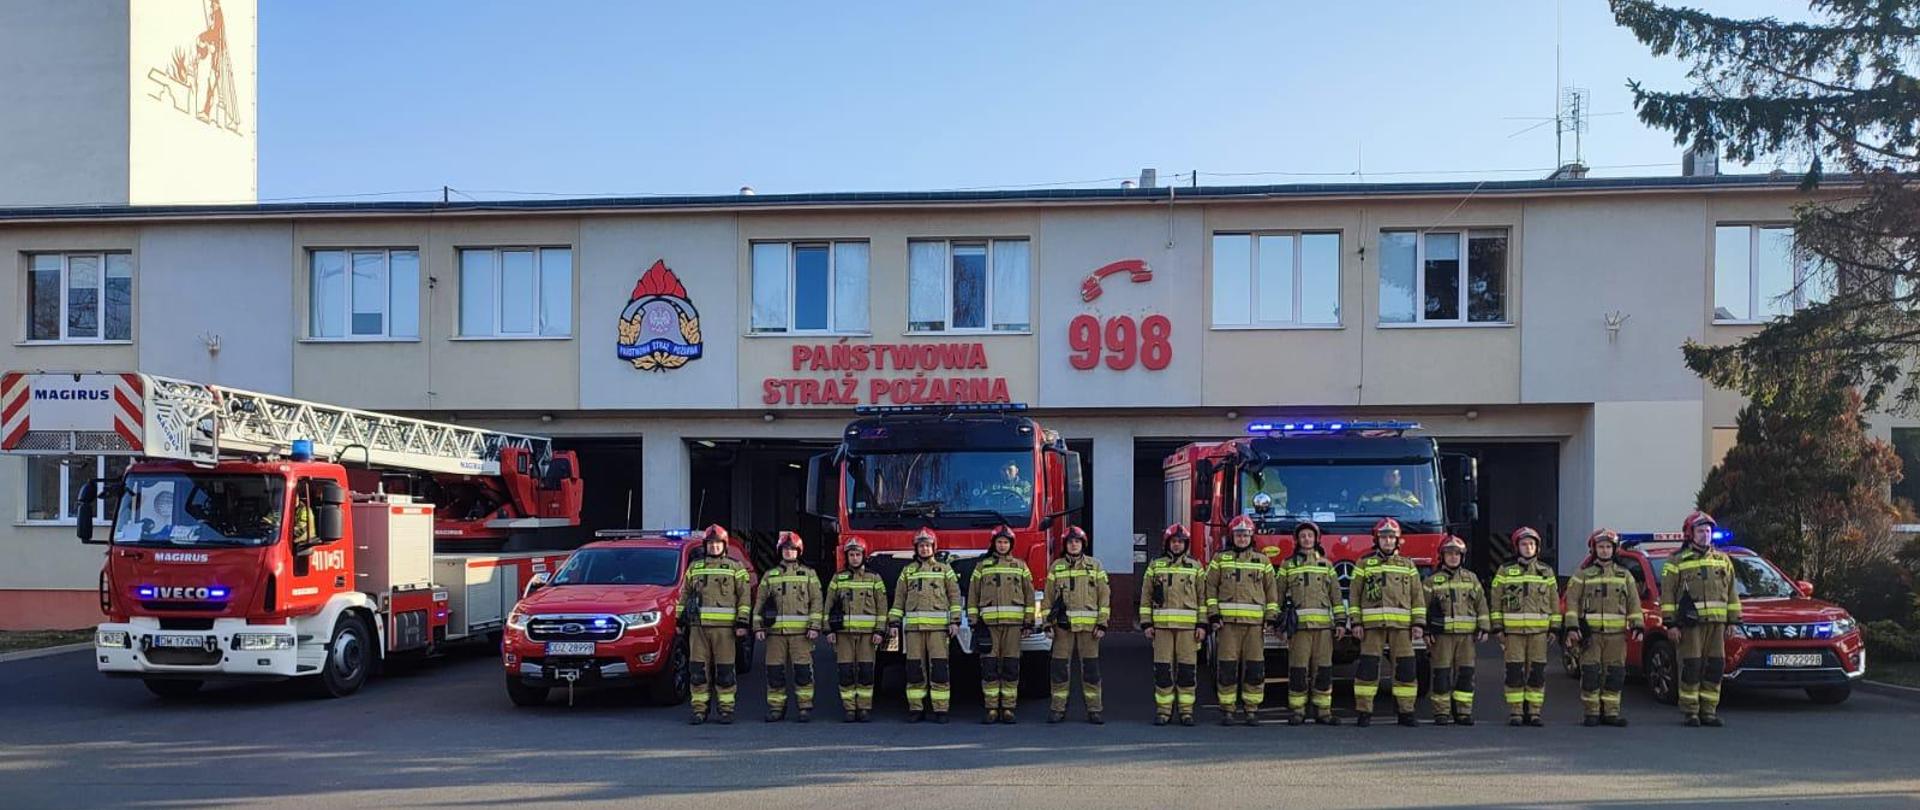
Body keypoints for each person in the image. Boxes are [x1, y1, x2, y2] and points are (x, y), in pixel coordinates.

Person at [1661, 511, 1742, 728]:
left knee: (1715, 666)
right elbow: (1667, 594)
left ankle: (1709, 711)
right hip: (1690, 626)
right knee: (1691, 666)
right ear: (1690, 534)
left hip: (1717, 624)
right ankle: (1691, 711)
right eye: (1700, 531)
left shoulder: (1723, 560)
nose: (1705, 535)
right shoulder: (1676, 561)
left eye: (1708, 531)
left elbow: (1732, 593)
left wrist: (1733, 621)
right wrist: (1670, 623)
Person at [1351, 517, 1426, 727]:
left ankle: (1406, 712)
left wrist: (1418, 623)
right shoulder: (1364, 564)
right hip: (1371, 627)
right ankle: (1364, 712)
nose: (1387, 541)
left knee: (1406, 670)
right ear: (1377, 539)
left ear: (1397, 540)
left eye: (1391, 537)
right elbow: (1355, 596)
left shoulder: (1408, 565)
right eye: (1383, 537)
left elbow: (1417, 596)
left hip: (1402, 628)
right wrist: (1356, 622)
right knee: (1367, 669)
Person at [1205, 514, 1278, 726]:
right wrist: (1213, 615)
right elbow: (1210, 588)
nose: (1242, 539)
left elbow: (1271, 592)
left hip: (1254, 627)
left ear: (1251, 536)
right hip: (1227, 625)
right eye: (1238, 535)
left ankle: (1251, 709)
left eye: (1246, 535)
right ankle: (1227, 710)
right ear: (1232, 536)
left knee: (1255, 669)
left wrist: (1271, 617)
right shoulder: (1220, 560)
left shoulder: (1262, 562)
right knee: (1227, 668)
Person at [1565, 528, 1644, 728]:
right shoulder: (1582, 575)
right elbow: (1571, 602)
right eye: (1601, 547)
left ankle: (1611, 713)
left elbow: (1634, 603)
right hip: (1590, 635)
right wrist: (1572, 628)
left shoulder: (1624, 575)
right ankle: (1591, 713)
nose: (1605, 550)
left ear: (1614, 549)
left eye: (1608, 547)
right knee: (1590, 673)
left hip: (1616, 636)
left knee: (1615, 674)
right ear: (1594, 549)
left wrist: (1638, 625)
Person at [674, 525, 751, 725]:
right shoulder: (695, 567)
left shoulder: (736, 568)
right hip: (697, 629)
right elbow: (684, 595)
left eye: (718, 543)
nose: (714, 547)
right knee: (698, 671)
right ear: (705, 545)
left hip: (725, 630)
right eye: (710, 543)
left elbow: (745, 597)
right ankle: (699, 710)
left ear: (724, 545)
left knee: (725, 672)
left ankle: (726, 710)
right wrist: (679, 619)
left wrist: (743, 621)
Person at [887, 528, 962, 723]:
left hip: (939, 630)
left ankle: (941, 710)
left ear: (934, 548)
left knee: (939, 669)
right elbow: (899, 599)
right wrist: (894, 623)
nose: (924, 549)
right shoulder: (907, 571)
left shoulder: (945, 570)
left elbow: (954, 597)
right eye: (921, 546)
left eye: (928, 545)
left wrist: (955, 621)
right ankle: (916, 709)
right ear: (916, 548)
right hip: (913, 631)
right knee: (914, 669)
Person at [1491, 526, 1562, 727]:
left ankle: (1534, 712)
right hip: (1513, 634)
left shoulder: (1546, 572)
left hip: (1539, 634)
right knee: (1514, 672)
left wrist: (1555, 628)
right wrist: (1498, 628)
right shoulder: (1504, 571)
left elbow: (1554, 602)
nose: (1528, 547)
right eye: (1524, 544)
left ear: (1537, 548)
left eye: (1532, 544)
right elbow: (1496, 601)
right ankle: (1515, 712)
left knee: (1537, 673)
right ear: (1516, 547)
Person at [1276, 520, 1345, 726]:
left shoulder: (1327, 565)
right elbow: (1278, 596)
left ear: (1316, 539)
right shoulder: (1287, 565)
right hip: (1299, 630)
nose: (1307, 539)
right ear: (1297, 540)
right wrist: (1277, 623)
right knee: (1298, 670)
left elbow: (1336, 597)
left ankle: (1323, 711)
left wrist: (1340, 622)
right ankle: (1298, 711)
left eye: (1310, 536)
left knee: (1323, 670)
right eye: (1303, 536)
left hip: (1324, 629)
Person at [968, 524, 1035, 724]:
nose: (1003, 545)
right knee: (989, 667)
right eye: (999, 542)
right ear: (994, 544)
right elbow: (973, 595)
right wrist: (973, 621)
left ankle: (1008, 708)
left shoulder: (1021, 566)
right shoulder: (982, 567)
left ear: (1011, 544)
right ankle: (991, 708)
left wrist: (1028, 622)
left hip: (1014, 627)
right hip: (988, 627)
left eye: (1006, 542)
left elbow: (1029, 596)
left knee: (1010, 667)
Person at [1140, 524, 1206, 726]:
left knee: (1187, 672)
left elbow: (1203, 598)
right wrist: (1146, 624)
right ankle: (1163, 712)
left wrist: (1202, 625)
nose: (1177, 545)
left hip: (1188, 630)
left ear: (1185, 544)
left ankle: (1186, 712)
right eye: (1173, 541)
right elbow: (1146, 596)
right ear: (1167, 543)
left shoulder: (1196, 567)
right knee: (1163, 671)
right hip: (1162, 629)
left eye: (1180, 542)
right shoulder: (1155, 565)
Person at [1044, 526, 1110, 724]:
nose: (1074, 545)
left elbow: (1104, 596)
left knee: (1091, 670)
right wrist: (1047, 624)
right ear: (1065, 545)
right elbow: (1047, 598)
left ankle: (1094, 710)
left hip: (1089, 631)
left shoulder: (1095, 566)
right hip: (1061, 630)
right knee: (1059, 670)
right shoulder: (1056, 567)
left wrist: (1102, 624)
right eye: (1070, 542)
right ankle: (1057, 709)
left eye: (1077, 541)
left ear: (1083, 544)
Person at [755, 532, 823, 722]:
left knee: (803, 672)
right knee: (774, 672)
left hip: (802, 635)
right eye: (785, 549)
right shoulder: (770, 575)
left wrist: (815, 625)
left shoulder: (809, 575)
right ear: (780, 551)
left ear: (798, 551)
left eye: (792, 549)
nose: (788, 552)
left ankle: (804, 708)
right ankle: (776, 709)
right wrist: (758, 627)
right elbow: (759, 602)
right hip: (774, 634)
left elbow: (817, 601)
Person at [1423, 535, 1489, 726]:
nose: (1453, 557)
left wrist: (1484, 627)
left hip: (1466, 638)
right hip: (1441, 638)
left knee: (1466, 674)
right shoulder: (1431, 581)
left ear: (1463, 557)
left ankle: (1463, 712)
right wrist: (1426, 632)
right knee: (1441, 674)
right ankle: (1441, 713)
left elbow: (1481, 605)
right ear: (1442, 556)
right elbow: (1422, 609)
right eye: (1449, 554)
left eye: (1457, 554)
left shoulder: (1472, 579)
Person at [826, 536, 886, 723]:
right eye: (851, 554)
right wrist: (828, 631)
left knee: (866, 672)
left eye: (857, 554)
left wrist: (879, 631)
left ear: (863, 556)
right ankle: (849, 709)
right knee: (845, 672)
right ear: (847, 556)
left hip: (868, 636)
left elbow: (882, 607)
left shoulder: (874, 579)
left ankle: (864, 708)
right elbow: (828, 605)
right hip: (843, 635)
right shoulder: (838, 578)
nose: (854, 558)